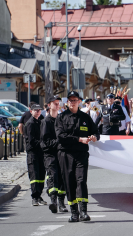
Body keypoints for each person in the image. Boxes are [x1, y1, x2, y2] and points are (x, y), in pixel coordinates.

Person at [55, 91, 100, 222]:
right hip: (66, 153)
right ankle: (74, 212)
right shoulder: (61, 117)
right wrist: (79, 139)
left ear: (79, 102)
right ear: (67, 102)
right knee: (69, 182)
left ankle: (83, 211)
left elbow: (95, 131)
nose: (72, 102)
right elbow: (60, 136)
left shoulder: (85, 117)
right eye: (70, 100)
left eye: (75, 100)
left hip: (81, 154)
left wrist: (94, 137)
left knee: (81, 181)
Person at [40, 95, 68, 214]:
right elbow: (45, 141)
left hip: (61, 153)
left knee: (62, 177)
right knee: (52, 175)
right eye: (55, 103)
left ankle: (61, 203)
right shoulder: (46, 122)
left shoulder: (61, 119)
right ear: (49, 105)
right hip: (50, 154)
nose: (57, 105)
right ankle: (53, 201)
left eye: (58, 103)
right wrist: (59, 141)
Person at [24, 104, 47, 206]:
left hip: (41, 152)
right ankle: (34, 197)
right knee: (34, 175)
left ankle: (39, 196)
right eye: (36, 110)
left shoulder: (40, 121)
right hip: (33, 152)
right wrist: (43, 144)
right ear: (31, 111)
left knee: (41, 175)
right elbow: (32, 140)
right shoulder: (30, 123)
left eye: (39, 110)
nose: (38, 112)